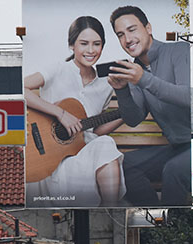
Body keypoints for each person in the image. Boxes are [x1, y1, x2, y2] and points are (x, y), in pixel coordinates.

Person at [24, 16, 126, 207]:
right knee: (105, 146)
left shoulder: (106, 85)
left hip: (84, 152)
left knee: (105, 143)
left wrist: (124, 115)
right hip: (49, 159)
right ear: (72, 45)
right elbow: (21, 89)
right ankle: (109, 212)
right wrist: (60, 113)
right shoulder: (58, 69)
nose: (90, 50)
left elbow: (92, 131)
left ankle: (108, 211)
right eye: (84, 43)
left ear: (103, 46)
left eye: (97, 44)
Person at [107, 6, 191, 205]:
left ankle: (171, 229)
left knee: (173, 170)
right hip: (178, 147)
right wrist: (122, 90)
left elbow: (188, 97)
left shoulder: (179, 51)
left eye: (132, 29)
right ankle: (154, 221)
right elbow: (133, 119)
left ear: (148, 28)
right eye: (120, 34)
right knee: (125, 164)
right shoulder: (135, 71)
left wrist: (144, 79)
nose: (127, 39)